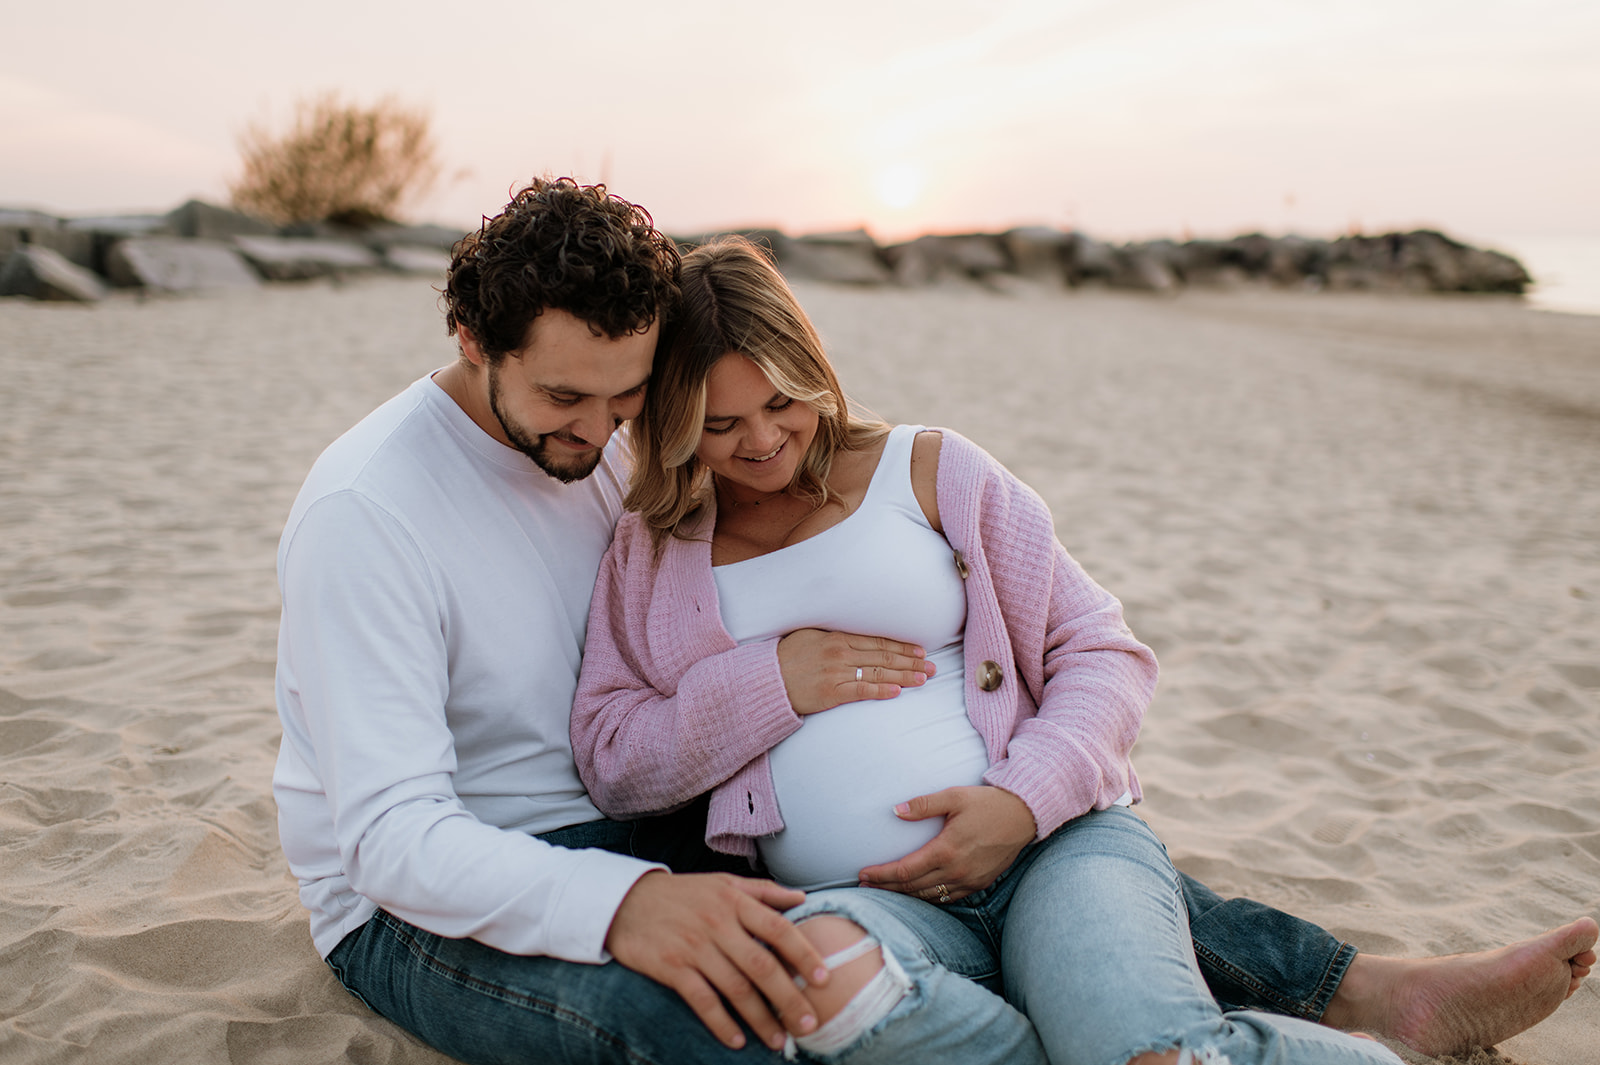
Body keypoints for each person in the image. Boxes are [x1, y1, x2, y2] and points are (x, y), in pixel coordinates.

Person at [273, 180, 1594, 1065]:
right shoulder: (372, 511)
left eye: (629, 405)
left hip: (655, 831)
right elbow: (393, 838)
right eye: (569, 398)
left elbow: (1064, 642)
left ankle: (1341, 990)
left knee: (1036, 874)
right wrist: (630, 904)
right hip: (437, 889)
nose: (599, 435)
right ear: (468, 334)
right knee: (737, 1016)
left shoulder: (625, 454)